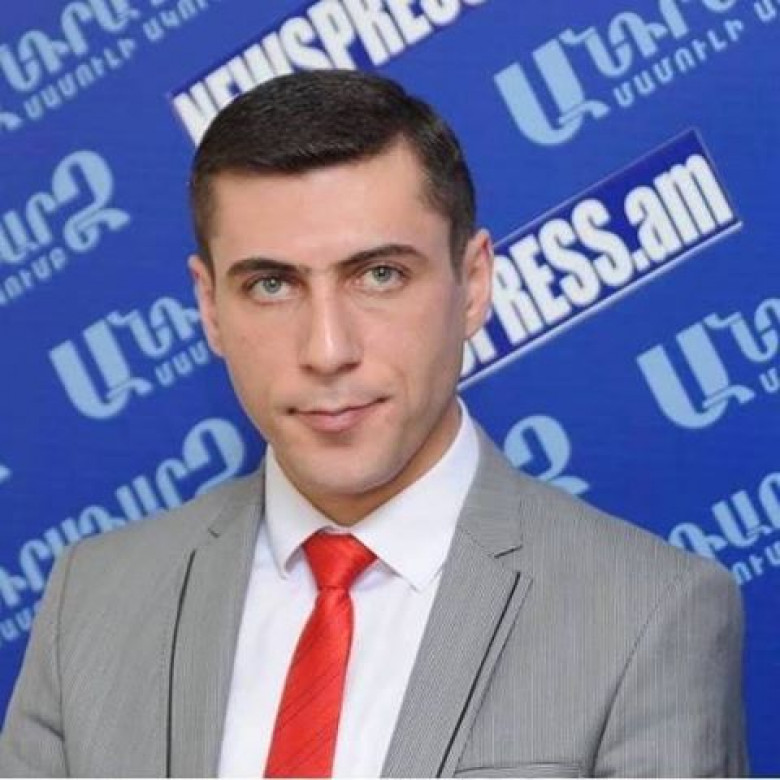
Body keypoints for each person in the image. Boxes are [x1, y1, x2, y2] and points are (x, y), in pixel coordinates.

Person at [0, 70, 746, 778]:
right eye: (271, 285)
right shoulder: (91, 599)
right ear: (209, 307)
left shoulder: (648, 613)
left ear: (474, 284)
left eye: (380, 275)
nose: (328, 350)